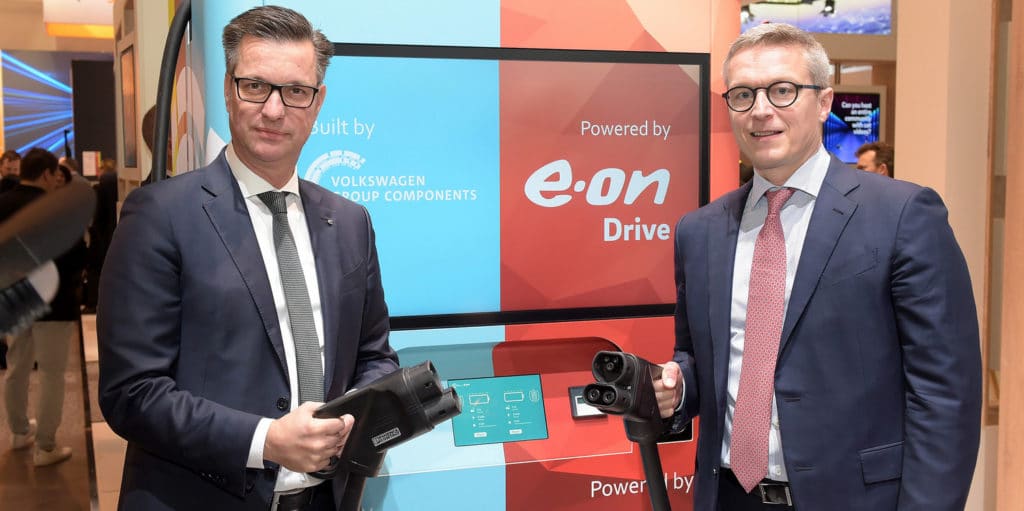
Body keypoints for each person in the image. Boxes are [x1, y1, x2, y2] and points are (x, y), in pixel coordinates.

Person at [654, 23, 981, 510]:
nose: (760, 110)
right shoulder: (699, 231)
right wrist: (678, 389)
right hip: (727, 497)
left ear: (824, 101)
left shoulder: (902, 216)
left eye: (782, 90)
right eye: (743, 94)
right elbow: (702, 358)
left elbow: (944, 395)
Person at [97, 6, 399, 510]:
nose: (274, 110)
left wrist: (353, 419)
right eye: (255, 86)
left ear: (318, 102)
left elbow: (375, 356)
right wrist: (267, 441)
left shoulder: (350, 222)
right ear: (227, 89)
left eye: (295, 91)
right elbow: (132, 392)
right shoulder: (160, 216)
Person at [1, 147, 85, 467]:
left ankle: (19, 432)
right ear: (48, 174)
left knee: (16, 367)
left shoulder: (2, 204)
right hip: (54, 302)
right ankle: (45, 447)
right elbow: (76, 257)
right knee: (51, 373)